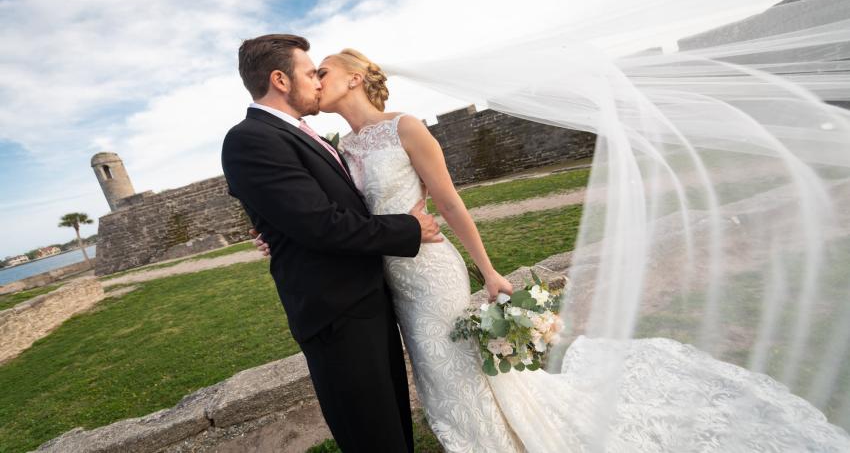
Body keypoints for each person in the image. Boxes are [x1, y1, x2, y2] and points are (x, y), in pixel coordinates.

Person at [254, 47, 850, 452]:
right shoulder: (340, 146)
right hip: (389, 279)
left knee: (457, 366)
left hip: (430, 270)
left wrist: (487, 271)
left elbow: (454, 204)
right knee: (438, 374)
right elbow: (326, 213)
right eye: (312, 74)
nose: (317, 81)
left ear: (354, 78)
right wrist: (278, 232)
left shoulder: (407, 127)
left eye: (324, 72)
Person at [220, 34, 444, 453]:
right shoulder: (250, 139)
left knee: (392, 425)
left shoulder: (299, 132)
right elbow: (321, 224)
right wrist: (410, 229)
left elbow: (316, 210)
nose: (318, 83)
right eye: (310, 73)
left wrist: (276, 230)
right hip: (336, 316)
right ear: (280, 80)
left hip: (366, 301)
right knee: (373, 437)